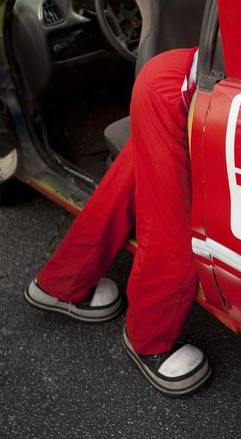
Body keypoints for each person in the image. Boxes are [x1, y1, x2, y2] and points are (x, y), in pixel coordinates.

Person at [24, 47, 211, 397]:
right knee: (173, 228)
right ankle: (147, 340)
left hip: (173, 79)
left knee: (123, 187)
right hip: (181, 95)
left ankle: (60, 283)